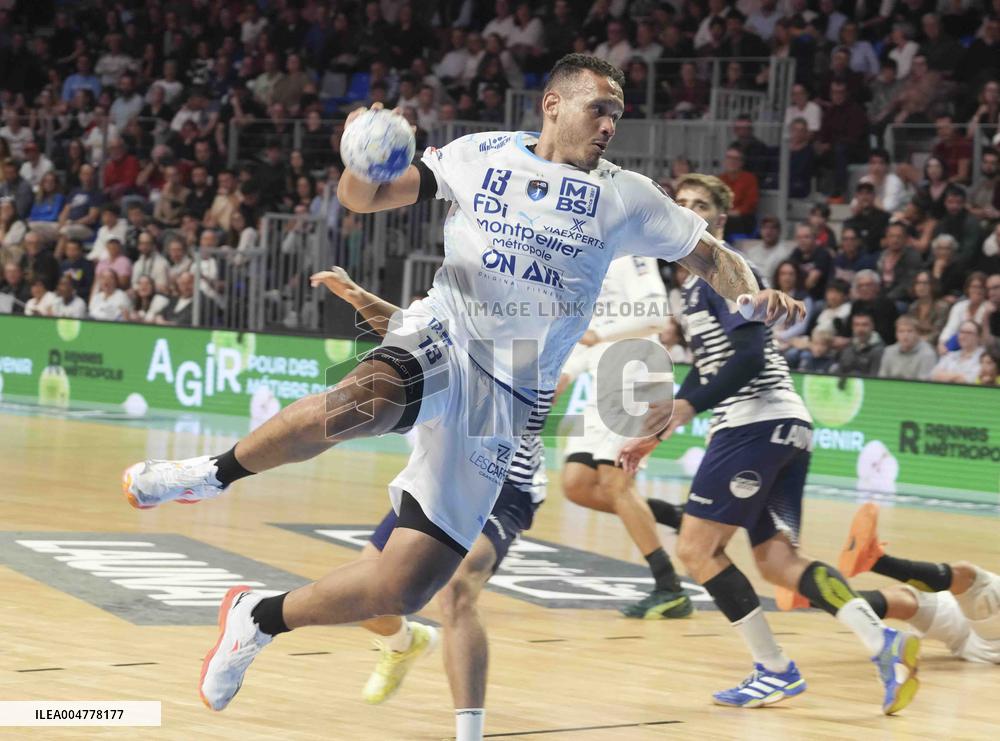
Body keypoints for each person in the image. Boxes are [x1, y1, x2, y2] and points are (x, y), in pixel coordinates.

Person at [121, 55, 804, 728]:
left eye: (617, 115)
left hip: (504, 395)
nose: (609, 126)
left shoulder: (626, 195)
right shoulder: (481, 154)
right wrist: (361, 161)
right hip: (444, 332)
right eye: (600, 109)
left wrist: (755, 294)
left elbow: (710, 253)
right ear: (554, 105)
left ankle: (258, 616)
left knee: (405, 584)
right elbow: (366, 199)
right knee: (369, 397)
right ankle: (211, 473)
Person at [617, 173, 920, 715]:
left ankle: (775, 668)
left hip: (753, 425)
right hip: (785, 426)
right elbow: (708, 368)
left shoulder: (723, 271)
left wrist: (685, 409)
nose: (687, 212)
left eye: (700, 206)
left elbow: (751, 354)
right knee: (780, 563)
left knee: (694, 549)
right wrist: (661, 429)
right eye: (679, 204)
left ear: (720, 219)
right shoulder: (689, 286)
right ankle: (883, 643)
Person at [313, 266, 548, 738]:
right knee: (370, 596)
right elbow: (411, 334)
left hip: (503, 484)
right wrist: (360, 297)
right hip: (435, 480)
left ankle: (469, 732)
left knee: (458, 589)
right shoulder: (452, 328)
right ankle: (403, 643)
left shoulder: (529, 339)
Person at [559, 245, 690, 620]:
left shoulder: (630, 249)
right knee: (577, 484)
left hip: (635, 369)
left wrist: (598, 334)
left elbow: (653, 315)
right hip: (603, 377)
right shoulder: (582, 258)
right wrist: (566, 374)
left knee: (616, 484)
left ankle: (669, 588)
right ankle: (677, 516)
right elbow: (588, 337)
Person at [839, 503, 1000, 665]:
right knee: (904, 600)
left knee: (968, 578)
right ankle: (818, 596)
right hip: (975, 638)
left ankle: (875, 561)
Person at [878, 315, 938, 380]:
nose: (905, 335)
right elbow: (882, 378)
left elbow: (925, 383)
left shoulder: (927, 354)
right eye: (901, 331)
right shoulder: (889, 351)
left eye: (910, 331)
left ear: (918, 333)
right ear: (896, 334)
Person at [835, 308, 885, 376]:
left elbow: (875, 378)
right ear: (852, 327)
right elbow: (837, 374)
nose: (860, 329)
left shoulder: (880, 350)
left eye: (864, 325)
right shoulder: (847, 349)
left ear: (872, 326)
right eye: (856, 325)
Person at [932, 320, 984, 384]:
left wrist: (946, 376)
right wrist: (957, 376)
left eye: (969, 333)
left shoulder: (984, 357)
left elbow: (971, 380)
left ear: (978, 337)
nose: (963, 336)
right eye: (961, 332)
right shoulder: (950, 355)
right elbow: (934, 375)